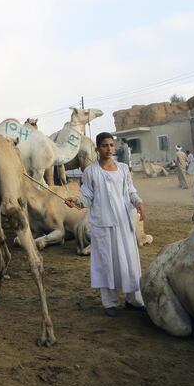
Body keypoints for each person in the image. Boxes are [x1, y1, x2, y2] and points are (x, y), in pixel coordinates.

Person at [64, 132, 147, 317]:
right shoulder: (90, 171)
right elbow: (86, 196)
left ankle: (134, 299)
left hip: (124, 223)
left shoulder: (124, 168)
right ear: (97, 149)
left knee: (130, 262)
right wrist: (76, 201)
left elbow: (131, 191)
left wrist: (139, 203)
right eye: (105, 145)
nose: (109, 148)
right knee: (106, 262)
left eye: (111, 145)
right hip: (103, 224)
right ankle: (109, 302)